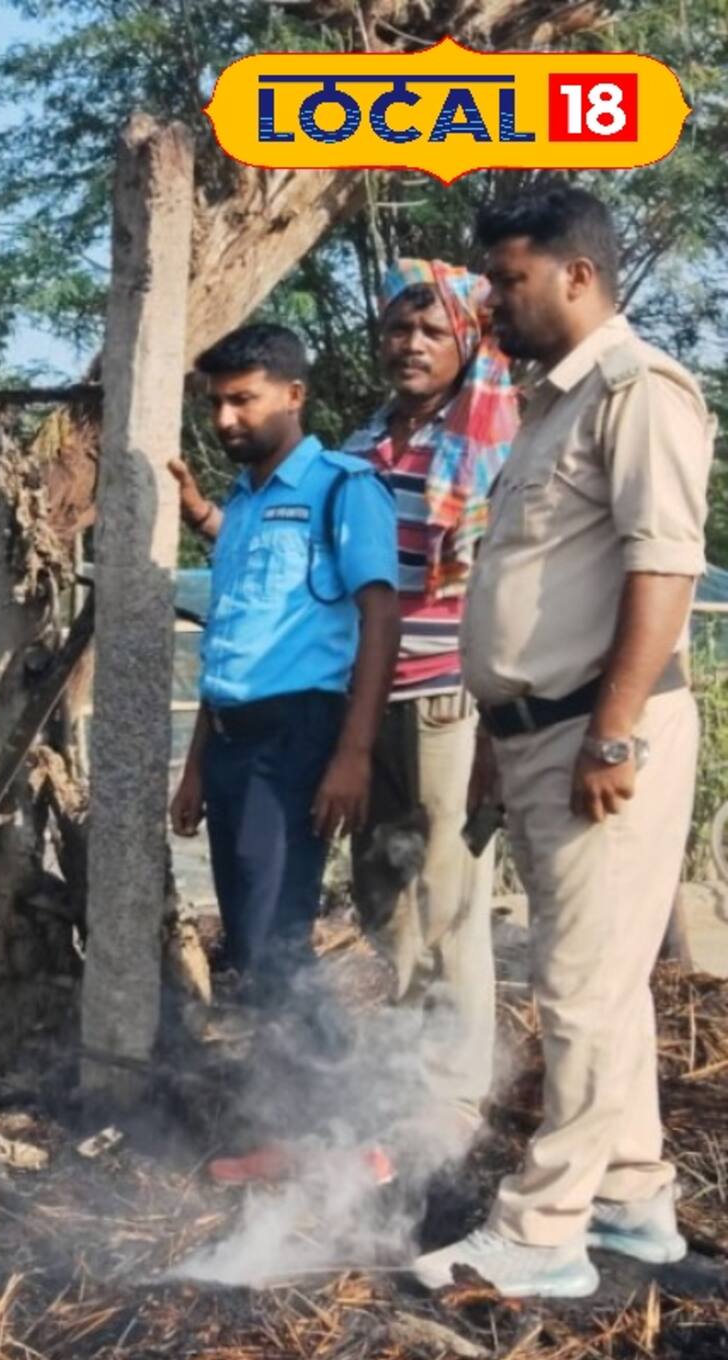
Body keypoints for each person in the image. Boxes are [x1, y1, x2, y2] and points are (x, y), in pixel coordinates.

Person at [413, 188, 716, 1299]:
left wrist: (613, 733)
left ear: (575, 276)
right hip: (540, 732)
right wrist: (501, 734)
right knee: (603, 981)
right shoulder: (549, 408)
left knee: (576, 989)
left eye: (507, 280)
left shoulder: (638, 394)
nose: (491, 303)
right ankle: (630, 1198)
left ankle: (540, 1234)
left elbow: (661, 570)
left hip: (601, 732)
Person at [178, 263, 519, 1148]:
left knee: (444, 893)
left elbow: (446, 581)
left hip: (439, 687)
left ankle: (447, 1102)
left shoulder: (489, 439)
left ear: (470, 343)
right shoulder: (374, 441)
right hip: (361, 697)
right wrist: (213, 520)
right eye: (399, 331)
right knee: (383, 897)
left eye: (433, 332)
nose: (410, 345)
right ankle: (392, 1085)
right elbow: (302, 574)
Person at [167, 323, 401, 1183]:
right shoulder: (247, 506)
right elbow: (227, 640)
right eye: (218, 402)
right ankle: (293, 1134)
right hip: (232, 742)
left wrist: (354, 753)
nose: (227, 417)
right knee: (253, 944)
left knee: (279, 945)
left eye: (244, 398)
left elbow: (381, 617)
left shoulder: (345, 491)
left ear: (293, 396)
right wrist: (195, 763)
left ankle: (354, 1141)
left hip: (300, 737)